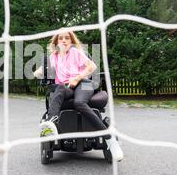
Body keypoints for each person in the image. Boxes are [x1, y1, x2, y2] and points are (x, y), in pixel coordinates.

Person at [34, 31, 124, 162]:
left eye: (67, 38)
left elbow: (92, 66)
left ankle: (110, 140)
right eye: (60, 38)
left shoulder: (75, 53)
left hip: (84, 83)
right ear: (56, 43)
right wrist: (42, 71)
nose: (64, 41)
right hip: (67, 87)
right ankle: (50, 124)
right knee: (59, 87)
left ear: (71, 41)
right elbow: (37, 73)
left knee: (79, 103)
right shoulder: (53, 57)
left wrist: (77, 78)